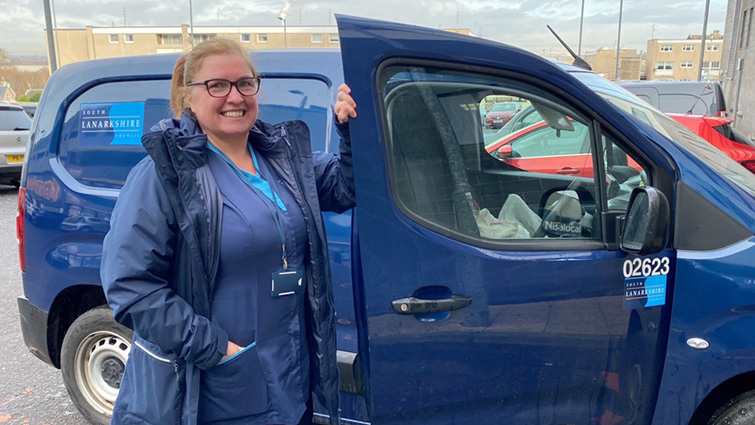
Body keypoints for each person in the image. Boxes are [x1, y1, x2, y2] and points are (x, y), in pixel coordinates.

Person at [100, 37, 357, 425]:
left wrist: (350, 130)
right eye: (217, 85)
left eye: (244, 83)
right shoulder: (164, 175)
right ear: (188, 97)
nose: (234, 97)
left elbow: (345, 187)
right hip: (218, 386)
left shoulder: (283, 159)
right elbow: (130, 287)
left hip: (291, 374)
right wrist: (216, 349)